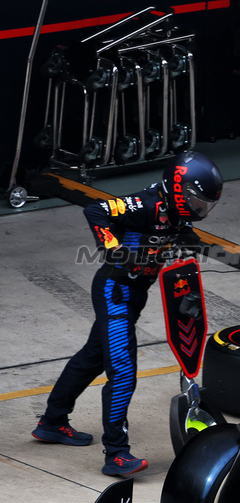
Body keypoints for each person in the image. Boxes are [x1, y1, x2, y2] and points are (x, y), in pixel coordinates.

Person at [31, 151, 223, 475]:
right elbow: (96, 210)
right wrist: (114, 248)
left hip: (134, 295)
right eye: (196, 201)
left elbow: (178, 234)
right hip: (114, 292)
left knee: (93, 356)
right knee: (122, 373)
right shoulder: (144, 203)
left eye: (204, 205)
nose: (198, 209)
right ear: (179, 190)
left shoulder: (178, 214)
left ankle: (52, 421)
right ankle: (116, 453)